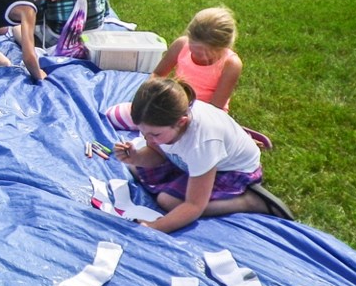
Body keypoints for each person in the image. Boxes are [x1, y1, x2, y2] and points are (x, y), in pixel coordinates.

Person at [114, 77, 293, 233]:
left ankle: (250, 202)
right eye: (143, 133)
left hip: (230, 172)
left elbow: (194, 205)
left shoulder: (202, 142)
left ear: (181, 122)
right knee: (137, 168)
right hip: (190, 161)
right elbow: (156, 153)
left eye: (154, 135)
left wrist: (155, 227)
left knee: (168, 201)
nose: (148, 139)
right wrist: (136, 157)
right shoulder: (163, 125)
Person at [106, 8, 243, 132]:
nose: (196, 55)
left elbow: (214, 110)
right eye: (193, 49)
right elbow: (158, 73)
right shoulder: (181, 45)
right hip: (174, 104)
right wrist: (150, 97)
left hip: (204, 118)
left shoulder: (230, 64)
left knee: (168, 135)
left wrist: (178, 117)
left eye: (203, 54)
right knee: (115, 115)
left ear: (222, 47)